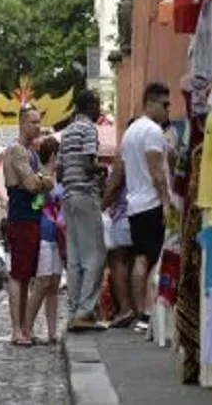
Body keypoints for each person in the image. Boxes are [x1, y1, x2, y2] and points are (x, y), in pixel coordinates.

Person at [118, 82, 171, 332]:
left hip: (135, 204)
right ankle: (147, 314)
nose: (167, 110)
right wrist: (166, 202)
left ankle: (140, 315)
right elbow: (157, 169)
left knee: (140, 258)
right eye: (164, 104)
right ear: (150, 102)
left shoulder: (130, 132)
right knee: (154, 259)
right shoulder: (152, 131)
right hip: (151, 203)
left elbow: (121, 171)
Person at [2, 105, 54, 346]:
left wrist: (40, 182)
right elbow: (33, 185)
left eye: (38, 122)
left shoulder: (31, 154)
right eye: (33, 122)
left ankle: (24, 326)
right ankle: (16, 329)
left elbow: (45, 184)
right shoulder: (16, 151)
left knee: (27, 277)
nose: (38, 126)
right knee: (18, 274)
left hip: (32, 216)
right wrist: (41, 182)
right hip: (20, 217)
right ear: (22, 123)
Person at [57, 90, 107, 332]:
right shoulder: (88, 129)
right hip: (85, 194)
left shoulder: (66, 133)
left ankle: (75, 309)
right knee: (96, 256)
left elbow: (58, 172)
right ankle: (85, 312)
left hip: (68, 197)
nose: (100, 112)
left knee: (75, 258)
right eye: (99, 107)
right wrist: (102, 169)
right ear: (92, 106)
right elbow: (89, 166)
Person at [25, 137, 64, 344]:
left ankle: (52, 331)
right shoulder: (41, 178)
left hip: (58, 237)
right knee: (42, 283)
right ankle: (27, 327)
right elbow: (35, 205)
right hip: (44, 234)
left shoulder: (59, 178)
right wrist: (45, 194)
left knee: (54, 285)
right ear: (53, 155)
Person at [102, 117, 138, 328]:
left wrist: (102, 205)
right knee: (134, 260)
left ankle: (125, 308)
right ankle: (137, 308)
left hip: (123, 213)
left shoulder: (125, 151)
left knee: (116, 260)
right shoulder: (148, 150)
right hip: (143, 212)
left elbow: (115, 183)